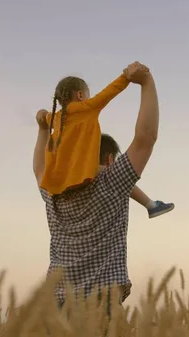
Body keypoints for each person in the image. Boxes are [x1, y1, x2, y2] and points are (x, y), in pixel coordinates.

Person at [32, 61, 161, 317]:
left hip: (54, 308)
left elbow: (39, 168)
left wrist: (43, 129)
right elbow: (145, 138)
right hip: (100, 304)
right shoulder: (113, 183)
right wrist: (146, 82)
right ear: (111, 160)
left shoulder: (52, 193)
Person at [38, 66, 174, 219]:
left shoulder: (54, 119)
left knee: (104, 170)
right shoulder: (87, 107)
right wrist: (127, 77)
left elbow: (43, 119)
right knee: (112, 174)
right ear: (81, 95)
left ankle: (151, 205)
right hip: (84, 171)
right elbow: (110, 91)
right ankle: (151, 205)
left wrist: (41, 118)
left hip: (60, 178)